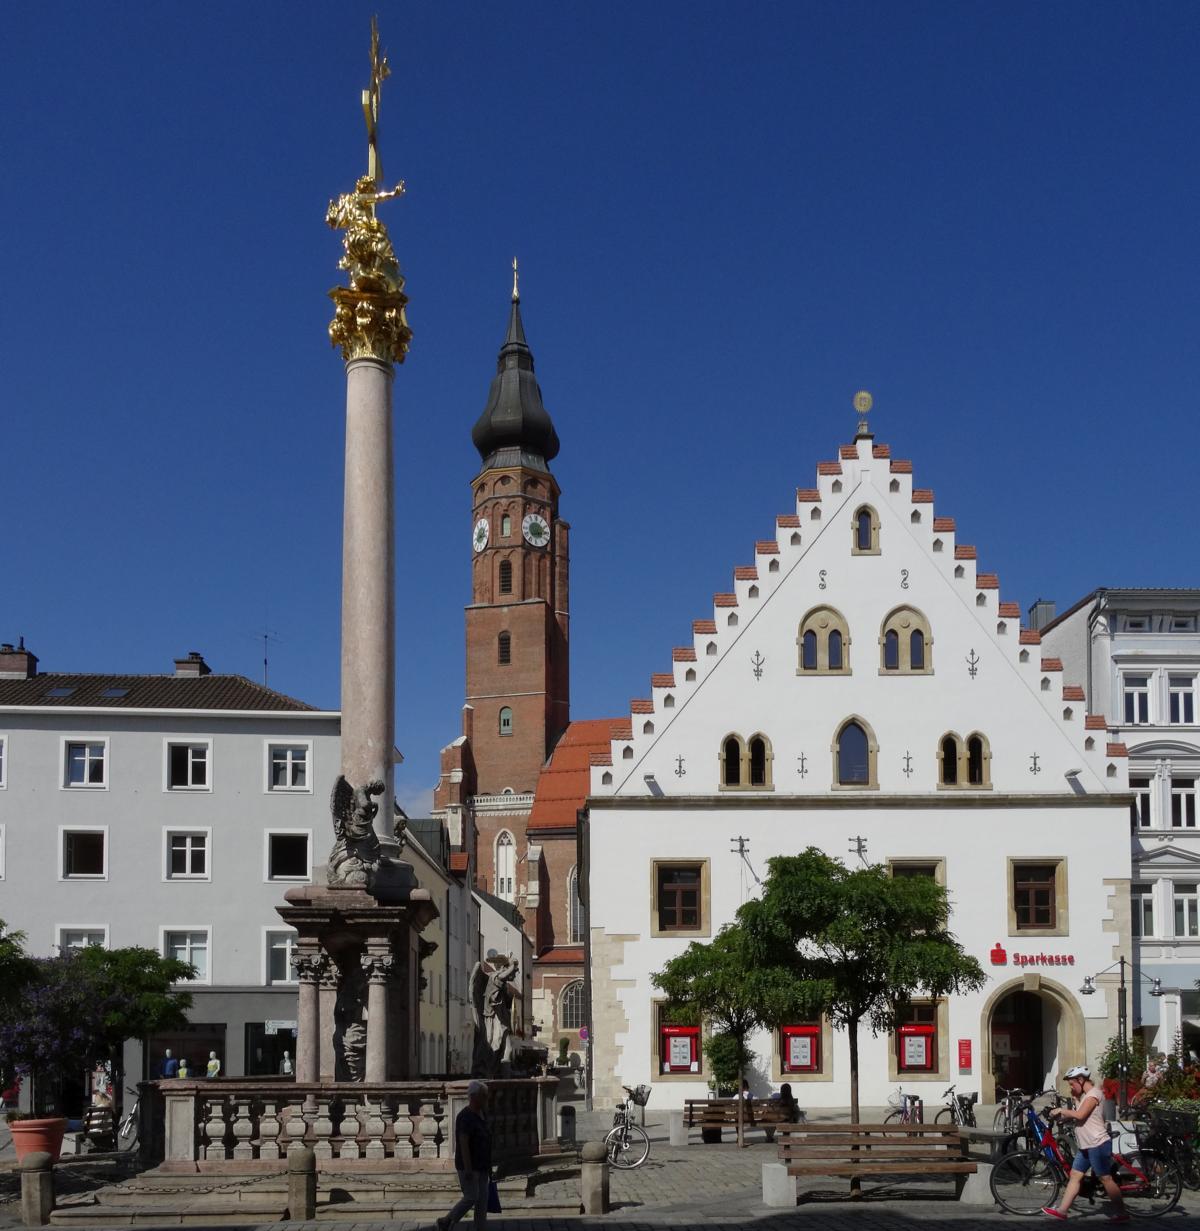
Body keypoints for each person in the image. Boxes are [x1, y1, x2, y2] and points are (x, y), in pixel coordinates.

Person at [1042, 1065, 1129, 1223]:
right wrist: (1074, 1100)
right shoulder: (1085, 1096)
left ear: (1080, 1080)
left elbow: (1081, 1114)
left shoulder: (1094, 1095)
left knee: (1106, 1178)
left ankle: (1122, 1213)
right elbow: (1080, 1117)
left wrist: (1062, 1110)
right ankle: (1062, 1211)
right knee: (1075, 1176)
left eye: (1072, 1084)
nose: (1071, 1087)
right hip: (1086, 1146)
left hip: (1097, 1143)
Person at [437, 1079, 492, 1230]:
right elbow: (463, 1143)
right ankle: (447, 1220)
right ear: (474, 1097)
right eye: (484, 1095)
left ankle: (480, 1228)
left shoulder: (482, 1113)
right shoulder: (465, 1116)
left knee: (482, 1201)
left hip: (482, 1165)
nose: (487, 1098)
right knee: (471, 1197)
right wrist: (468, 1168)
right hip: (469, 1165)